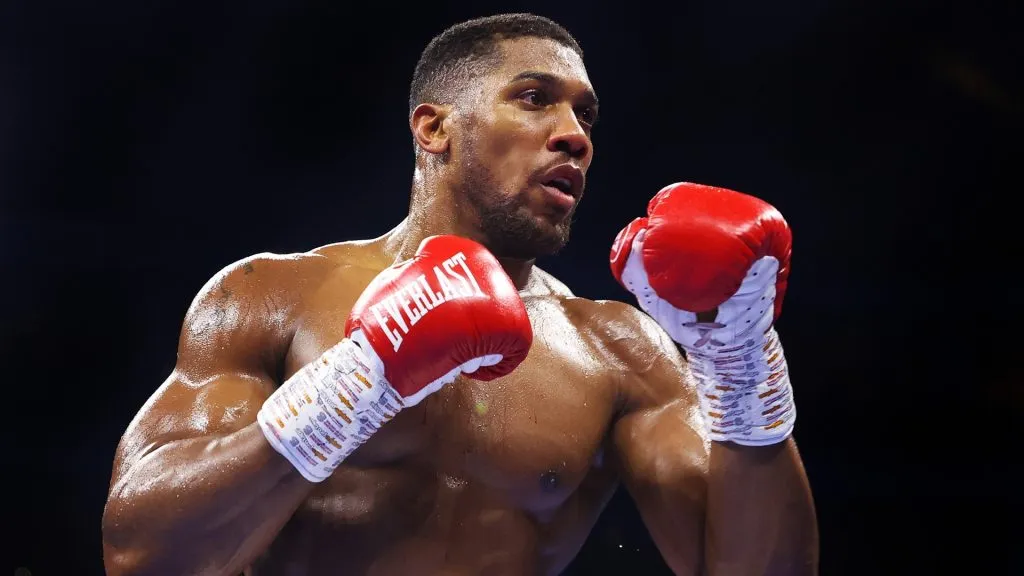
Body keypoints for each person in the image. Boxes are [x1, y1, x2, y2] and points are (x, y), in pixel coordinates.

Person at [101, 12, 818, 576]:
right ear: (435, 126)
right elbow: (143, 556)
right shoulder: (273, 294)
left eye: (586, 117)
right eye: (535, 99)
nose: (573, 136)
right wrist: (354, 385)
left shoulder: (617, 347)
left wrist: (742, 365)